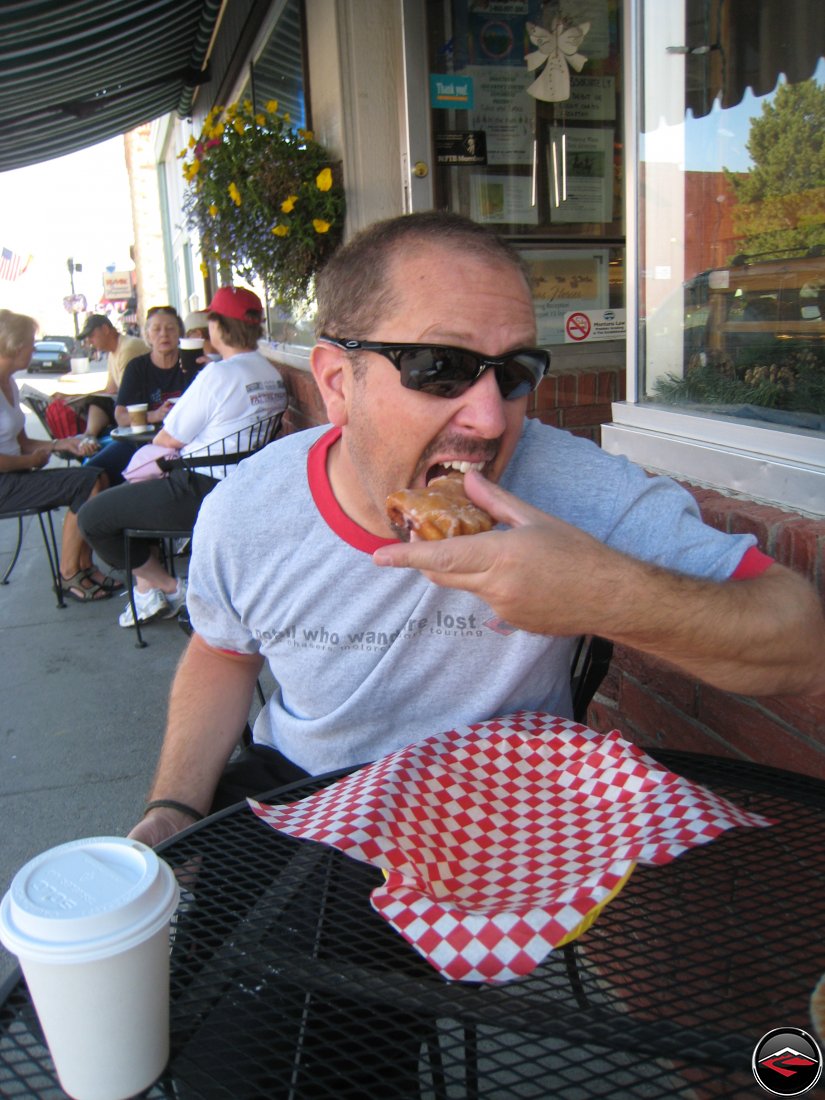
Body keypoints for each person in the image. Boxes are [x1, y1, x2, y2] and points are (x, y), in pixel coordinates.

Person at [129, 212, 825, 848]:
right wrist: (175, 807)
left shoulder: (571, 490)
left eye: (514, 372)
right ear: (338, 381)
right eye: (441, 368)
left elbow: (797, 639)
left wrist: (596, 593)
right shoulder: (247, 506)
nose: (492, 421)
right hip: (302, 792)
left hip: (494, 821)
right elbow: (223, 652)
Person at [78, 286, 287, 628]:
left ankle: (174, 588)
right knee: (134, 498)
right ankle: (150, 591)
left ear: (216, 327)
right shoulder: (269, 373)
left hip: (199, 489)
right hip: (243, 484)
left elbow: (165, 438)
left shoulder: (217, 375)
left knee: (93, 518)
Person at [0, 309, 118, 602]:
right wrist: (30, 462)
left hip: (16, 475)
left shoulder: (10, 384)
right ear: (15, 348)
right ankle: (68, 573)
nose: (34, 348)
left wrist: (59, 445)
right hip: (5, 483)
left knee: (98, 473)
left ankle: (85, 565)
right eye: (30, 342)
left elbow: (21, 441)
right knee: (85, 483)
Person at [83, 306, 188, 486]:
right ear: (147, 335)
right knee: (90, 475)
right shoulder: (137, 368)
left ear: (179, 333)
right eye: (156, 329)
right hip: (139, 443)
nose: (164, 334)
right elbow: (121, 416)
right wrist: (154, 416)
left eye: (170, 328)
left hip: (184, 444)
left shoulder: (191, 364)